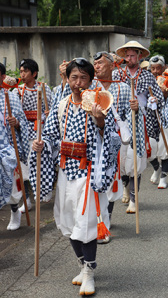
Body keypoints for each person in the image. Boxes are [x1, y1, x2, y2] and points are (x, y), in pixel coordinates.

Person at [30, 58, 121, 296]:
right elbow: (50, 134)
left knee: (87, 223)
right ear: (67, 79)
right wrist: (41, 144)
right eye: (74, 77)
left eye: (83, 78)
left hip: (89, 172)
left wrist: (99, 120)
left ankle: (90, 273)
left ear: (91, 80)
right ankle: (83, 265)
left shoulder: (101, 102)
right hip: (66, 171)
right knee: (69, 222)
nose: (78, 83)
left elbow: (112, 138)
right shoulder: (62, 105)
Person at [93, 51, 145, 216]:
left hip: (119, 137)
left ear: (111, 65)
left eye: (100, 63)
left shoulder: (124, 87)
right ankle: (103, 218)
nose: (96, 66)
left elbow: (132, 115)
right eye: (95, 64)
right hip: (97, 138)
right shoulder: (90, 87)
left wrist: (136, 109)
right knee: (101, 177)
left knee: (127, 169)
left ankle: (132, 198)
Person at [113, 41, 164, 198]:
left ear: (139, 56)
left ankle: (134, 197)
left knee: (137, 157)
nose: (129, 58)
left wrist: (154, 100)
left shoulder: (147, 76)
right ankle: (125, 187)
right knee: (121, 158)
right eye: (127, 55)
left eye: (132, 56)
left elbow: (159, 97)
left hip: (140, 119)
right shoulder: (117, 74)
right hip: (120, 120)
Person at [13, 59, 53, 212]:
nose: (22, 74)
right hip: (23, 131)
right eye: (21, 71)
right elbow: (16, 111)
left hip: (39, 129)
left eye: (25, 71)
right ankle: (27, 199)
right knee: (23, 166)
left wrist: (46, 115)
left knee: (42, 161)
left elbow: (50, 108)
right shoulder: (17, 90)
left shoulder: (43, 88)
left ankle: (45, 189)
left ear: (34, 73)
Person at [0, 63, 29, 230]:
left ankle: (14, 211)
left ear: (3, 77)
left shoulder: (10, 97)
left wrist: (16, 123)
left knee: (11, 184)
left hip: (8, 147)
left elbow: (23, 122)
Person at [148, 56, 168, 188]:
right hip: (149, 121)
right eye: (153, 68)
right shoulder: (145, 80)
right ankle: (156, 168)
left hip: (164, 121)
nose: (155, 71)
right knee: (148, 150)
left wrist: (166, 96)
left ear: (163, 68)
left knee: (165, 151)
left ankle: (163, 178)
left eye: (158, 68)